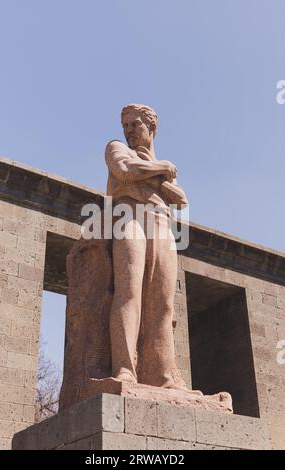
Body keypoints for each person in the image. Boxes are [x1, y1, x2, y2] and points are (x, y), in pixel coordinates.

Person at [105, 103, 188, 388]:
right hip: (128, 215)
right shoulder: (116, 147)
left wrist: (153, 173)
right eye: (125, 125)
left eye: (134, 125)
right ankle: (125, 369)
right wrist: (160, 170)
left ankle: (163, 376)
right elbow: (124, 169)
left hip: (161, 223)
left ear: (151, 128)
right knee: (129, 291)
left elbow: (180, 198)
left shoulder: (156, 166)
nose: (128, 131)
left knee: (163, 304)